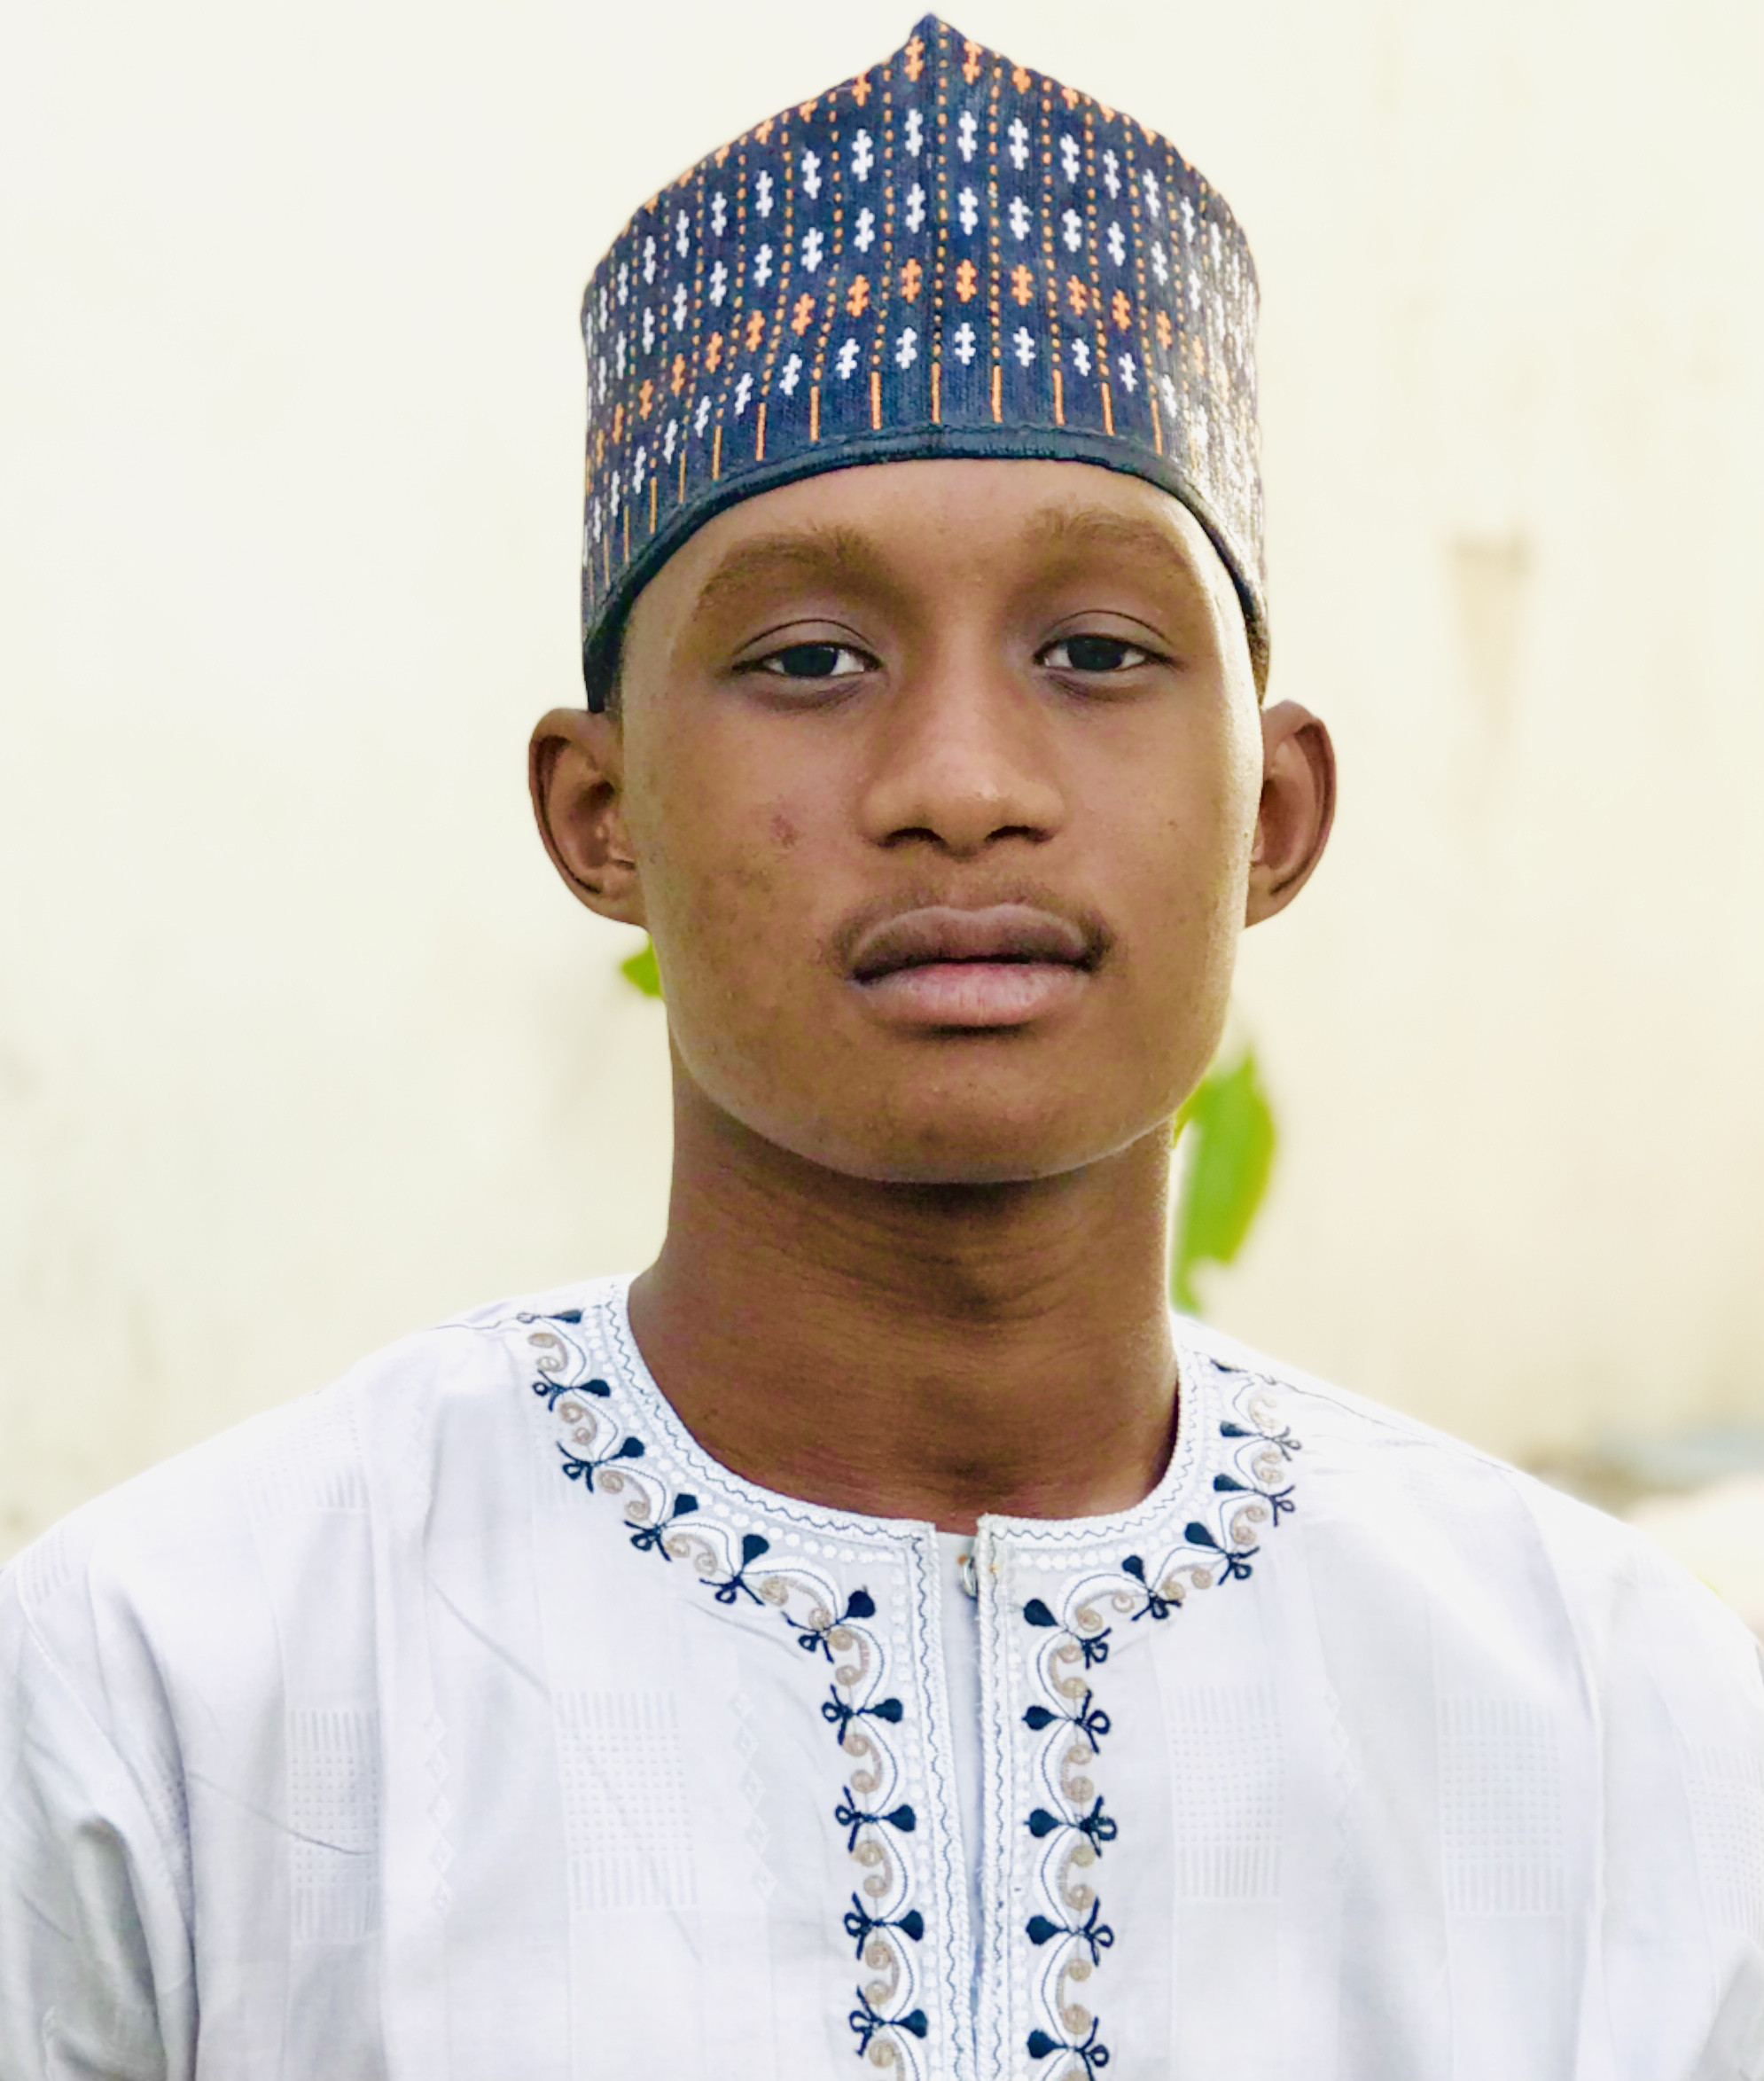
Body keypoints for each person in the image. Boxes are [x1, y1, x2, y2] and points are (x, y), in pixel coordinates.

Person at [3, 14, 1760, 2078]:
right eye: (809, 657)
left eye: (1093, 649)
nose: (957, 785)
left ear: (1272, 814)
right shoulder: (171, 1696)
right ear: (600, 815)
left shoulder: (1609, 1719)